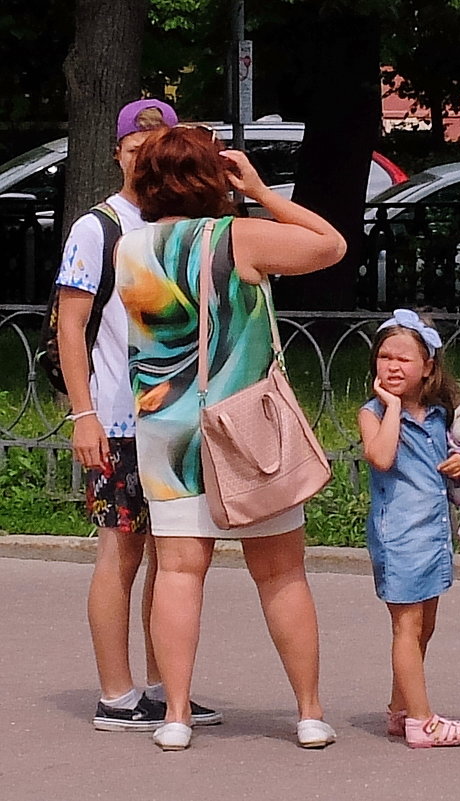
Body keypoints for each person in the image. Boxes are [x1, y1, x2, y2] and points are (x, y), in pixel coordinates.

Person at [114, 124, 346, 751]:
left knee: (180, 573)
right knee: (280, 572)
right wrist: (263, 192)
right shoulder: (237, 237)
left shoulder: (132, 248)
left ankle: (176, 716)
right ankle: (309, 712)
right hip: (245, 427)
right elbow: (329, 245)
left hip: (166, 429)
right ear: (214, 177)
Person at [57, 98, 220, 732]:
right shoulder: (99, 227)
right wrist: (84, 415)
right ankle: (114, 692)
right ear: (119, 152)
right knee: (120, 553)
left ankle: (162, 685)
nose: (145, 155)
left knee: (171, 558)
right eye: (135, 147)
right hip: (121, 421)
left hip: (175, 420)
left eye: (158, 145)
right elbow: (72, 326)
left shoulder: (180, 222)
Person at [357, 309, 460, 749]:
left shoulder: (440, 415)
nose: (391, 366)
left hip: (433, 535)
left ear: (427, 367)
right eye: (384, 356)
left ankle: (400, 708)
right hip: (399, 538)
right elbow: (383, 457)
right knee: (406, 627)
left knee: (425, 626)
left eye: (403, 359)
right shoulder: (372, 413)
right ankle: (422, 723)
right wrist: (390, 407)